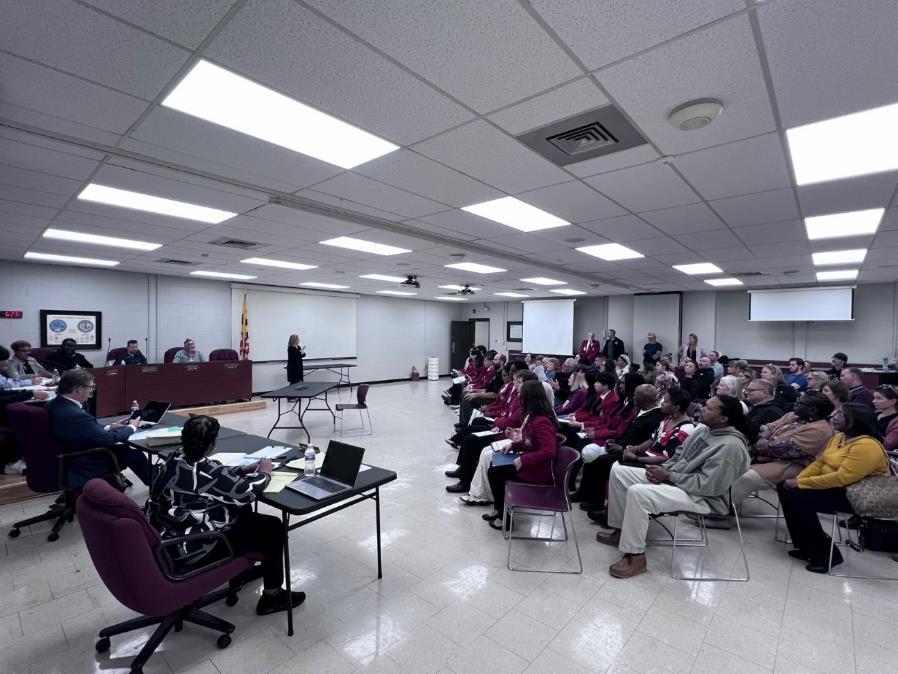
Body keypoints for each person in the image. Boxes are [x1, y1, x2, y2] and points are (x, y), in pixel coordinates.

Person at [148, 415, 305, 615]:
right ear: (212, 444)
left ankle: (242, 572)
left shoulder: (173, 459)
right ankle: (272, 597)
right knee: (273, 527)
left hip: (168, 534)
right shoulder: (206, 471)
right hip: (195, 545)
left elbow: (211, 477)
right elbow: (246, 493)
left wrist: (240, 469)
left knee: (244, 515)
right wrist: (264, 473)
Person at [595, 395, 750, 578]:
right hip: (679, 481)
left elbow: (709, 486)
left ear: (723, 418)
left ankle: (635, 555)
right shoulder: (704, 430)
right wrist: (660, 470)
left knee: (639, 493)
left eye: (708, 408)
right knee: (619, 470)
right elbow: (678, 456)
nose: (700, 409)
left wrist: (669, 476)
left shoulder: (731, 446)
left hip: (704, 498)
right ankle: (621, 530)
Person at [777, 403, 890, 572]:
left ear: (857, 421)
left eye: (841, 415)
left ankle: (826, 554)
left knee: (799, 497)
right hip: (835, 488)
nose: (834, 416)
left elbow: (842, 478)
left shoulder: (867, 446)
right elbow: (820, 462)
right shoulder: (839, 437)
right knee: (785, 488)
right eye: (836, 413)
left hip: (857, 496)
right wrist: (799, 479)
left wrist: (800, 484)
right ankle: (805, 546)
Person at [725, 391, 834, 526]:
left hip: (794, 466)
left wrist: (765, 443)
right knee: (728, 459)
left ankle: (722, 513)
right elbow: (767, 426)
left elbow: (788, 451)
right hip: (769, 457)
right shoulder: (794, 415)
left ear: (812, 410)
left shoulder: (821, 430)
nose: (795, 404)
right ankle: (713, 499)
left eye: (800, 403)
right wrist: (765, 437)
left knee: (747, 477)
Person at [46, 369, 152, 488]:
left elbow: (84, 428)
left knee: (124, 450)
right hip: (83, 461)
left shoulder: (55, 404)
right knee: (133, 454)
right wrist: (132, 427)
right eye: (91, 387)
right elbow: (108, 439)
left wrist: (111, 426)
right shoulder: (74, 414)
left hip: (72, 451)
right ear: (78, 389)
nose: (91, 391)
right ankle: (159, 489)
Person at [573, 384, 665, 510]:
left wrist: (622, 448)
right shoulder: (640, 410)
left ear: (643, 399)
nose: (633, 398)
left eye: (636, 396)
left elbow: (648, 441)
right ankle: (584, 494)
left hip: (634, 452)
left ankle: (596, 503)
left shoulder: (657, 417)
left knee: (599, 462)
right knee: (591, 459)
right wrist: (615, 441)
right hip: (623, 445)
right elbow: (626, 432)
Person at [483, 379, 559, 530]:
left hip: (537, 471)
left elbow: (549, 452)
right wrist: (513, 445)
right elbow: (529, 441)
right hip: (530, 464)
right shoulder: (532, 416)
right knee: (494, 467)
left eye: (521, 395)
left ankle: (504, 517)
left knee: (496, 473)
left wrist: (524, 460)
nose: (518, 398)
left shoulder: (542, 421)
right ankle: (499, 509)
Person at [744, 379, 788, 445]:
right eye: (747, 390)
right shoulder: (761, 408)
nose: (746, 392)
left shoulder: (770, 411)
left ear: (764, 393)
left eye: (750, 390)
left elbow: (748, 430)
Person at [872, 385, 898, 452]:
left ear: (893, 401)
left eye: (878, 398)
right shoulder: (874, 414)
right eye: (874, 398)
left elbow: (887, 445)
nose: (873, 401)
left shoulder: (896, 421)